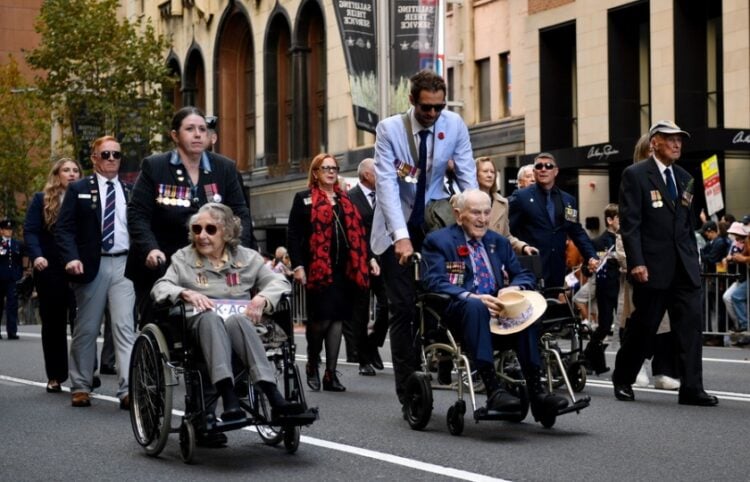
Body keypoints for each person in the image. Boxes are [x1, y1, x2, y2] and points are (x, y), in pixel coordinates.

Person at [371, 69, 477, 408]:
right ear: (412, 101)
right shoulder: (389, 130)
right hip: (395, 227)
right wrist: (401, 237)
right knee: (402, 309)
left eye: (438, 107)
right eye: (426, 108)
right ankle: (409, 391)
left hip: (435, 223)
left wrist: (476, 219)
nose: (432, 114)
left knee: (446, 298)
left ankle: (443, 358)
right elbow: (386, 185)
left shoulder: (454, 125)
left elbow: (467, 177)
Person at [151, 203, 300, 430]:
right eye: (197, 229)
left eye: (210, 229)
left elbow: (278, 281)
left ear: (227, 232)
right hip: (198, 326)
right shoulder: (183, 258)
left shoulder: (248, 258)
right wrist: (184, 292)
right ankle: (229, 398)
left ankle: (273, 396)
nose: (202, 236)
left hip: (240, 326)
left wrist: (262, 299)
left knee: (238, 320)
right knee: (211, 319)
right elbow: (161, 287)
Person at [422, 189, 568, 418]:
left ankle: (537, 393)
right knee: (476, 307)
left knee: (526, 311)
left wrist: (514, 288)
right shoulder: (438, 241)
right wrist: (472, 296)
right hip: (461, 311)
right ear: (459, 215)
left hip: (500, 312)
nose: (482, 219)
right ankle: (492, 389)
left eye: (486, 212)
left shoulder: (497, 242)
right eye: (475, 213)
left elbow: (523, 275)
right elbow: (434, 280)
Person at [612, 120, 717, 406]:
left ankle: (692, 388)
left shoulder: (686, 177)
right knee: (644, 328)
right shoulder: (635, 175)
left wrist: (693, 261)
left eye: (680, 140)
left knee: (690, 328)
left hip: (684, 267)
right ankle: (623, 377)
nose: (677, 144)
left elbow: (687, 222)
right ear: (655, 141)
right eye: (670, 139)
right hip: (652, 267)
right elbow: (631, 223)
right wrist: (637, 262)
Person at [127, 107, 256, 327]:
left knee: (221, 324)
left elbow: (240, 213)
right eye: (190, 129)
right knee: (161, 325)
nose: (198, 134)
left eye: (202, 129)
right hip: (165, 263)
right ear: (175, 135)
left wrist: (239, 251)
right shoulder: (155, 166)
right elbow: (137, 213)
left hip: (215, 264)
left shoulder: (224, 168)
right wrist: (150, 248)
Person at [55, 136, 137, 409]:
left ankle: (128, 389)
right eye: (106, 154)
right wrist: (71, 258)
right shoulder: (78, 188)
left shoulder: (130, 190)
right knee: (87, 328)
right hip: (92, 265)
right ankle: (80, 385)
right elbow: (64, 229)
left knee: (124, 328)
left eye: (116, 154)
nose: (112, 159)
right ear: (93, 158)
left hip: (125, 264)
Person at [287, 153, 370, 392]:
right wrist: (299, 266)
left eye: (334, 168)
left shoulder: (345, 200)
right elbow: (293, 235)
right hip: (318, 269)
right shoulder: (304, 199)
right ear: (315, 172)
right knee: (321, 320)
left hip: (344, 270)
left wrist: (368, 260)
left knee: (337, 321)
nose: (331, 172)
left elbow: (358, 234)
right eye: (326, 168)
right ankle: (313, 363)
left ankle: (330, 374)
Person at [616, 133, 680, 390]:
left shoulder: (676, 179)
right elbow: (628, 230)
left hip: (668, 268)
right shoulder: (634, 178)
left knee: (666, 326)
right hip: (641, 270)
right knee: (640, 324)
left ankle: (665, 370)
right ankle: (633, 369)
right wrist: (636, 262)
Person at [23, 158, 82, 391]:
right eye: (66, 170)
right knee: (54, 325)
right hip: (50, 269)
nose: (72, 174)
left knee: (83, 323)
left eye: (75, 170)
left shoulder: (86, 199)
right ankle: (55, 375)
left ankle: (84, 373)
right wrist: (37, 256)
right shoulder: (41, 200)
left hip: (79, 267)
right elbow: (30, 231)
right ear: (56, 174)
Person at [509, 152, 598, 289]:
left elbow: (576, 231)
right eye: (539, 166)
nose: (544, 169)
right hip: (529, 270)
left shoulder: (567, 200)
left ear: (555, 171)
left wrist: (591, 255)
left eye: (549, 166)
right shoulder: (521, 197)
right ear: (534, 172)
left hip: (556, 270)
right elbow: (507, 232)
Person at [348, 158, 389, 376]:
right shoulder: (350, 198)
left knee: (388, 305)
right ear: (366, 175)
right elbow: (353, 234)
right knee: (361, 312)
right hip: (360, 262)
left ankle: (373, 343)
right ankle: (362, 357)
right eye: (377, 172)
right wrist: (368, 257)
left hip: (385, 261)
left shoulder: (384, 196)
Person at [583, 204, 620, 374]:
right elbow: (586, 267)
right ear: (610, 220)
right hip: (606, 288)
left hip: (623, 288)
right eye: (619, 218)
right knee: (604, 326)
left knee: (623, 327)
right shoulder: (598, 242)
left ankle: (594, 360)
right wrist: (590, 267)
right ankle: (588, 358)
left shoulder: (626, 239)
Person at [475, 156, 537, 255]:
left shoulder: (502, 203)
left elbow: (506, 236)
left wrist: (522, 247)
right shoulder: (463, 199)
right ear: (475, 174)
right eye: (485, 171)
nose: (490, 175)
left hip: (495, 259)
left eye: (492, 172)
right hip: (473, 257)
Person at [0, 218, 24, 340]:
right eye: (6, 229)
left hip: (12, 279)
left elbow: (19, 261)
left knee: (12, 305)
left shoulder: (16, 244)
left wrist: (19, 274)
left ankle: (12, 331)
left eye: (10, 229)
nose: (9, 231)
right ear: (1, 231)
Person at [723, 222, 748, 330]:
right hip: (741, 278)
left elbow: (743, 257)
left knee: (735, 296)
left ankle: (744, 325)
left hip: (745, 277)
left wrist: (742, 259)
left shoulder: (747, 240)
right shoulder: (739, 242)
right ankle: (741, 325)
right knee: (728, 297)